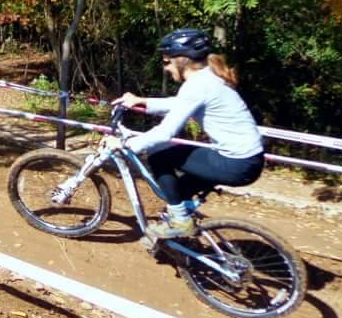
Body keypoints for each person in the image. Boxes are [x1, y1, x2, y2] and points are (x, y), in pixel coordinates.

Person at [105, 28, 264, 239]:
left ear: (183, 60)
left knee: (159, 154)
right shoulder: (207, 77)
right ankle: (183, 223)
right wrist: (142, 101)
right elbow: (182, 104)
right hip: (246, 159)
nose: (166, 68)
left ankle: (180, 221)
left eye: (167, 62)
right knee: (180, 189)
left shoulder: (197, 84)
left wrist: (124, 145)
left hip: (235, 163)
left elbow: (165, 133)